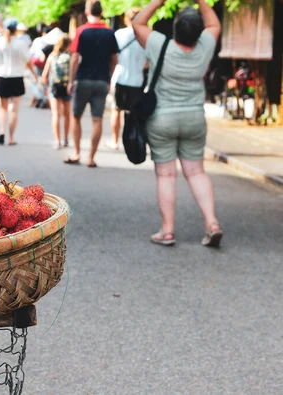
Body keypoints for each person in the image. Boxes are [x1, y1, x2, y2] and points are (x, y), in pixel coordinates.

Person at [132, 0, 223, 247]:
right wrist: (202, 1)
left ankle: (168, 231)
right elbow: (214, 23)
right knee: (196, 172)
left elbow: (137, 22)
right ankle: (212, 223)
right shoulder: (205, 46)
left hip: (162, 119)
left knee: (166, 174)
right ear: (199, 32)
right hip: (194, 118)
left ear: (175, 28)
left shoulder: (159, 45)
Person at [65, 0, 118, 167]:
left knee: (76, 116)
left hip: (83, 79)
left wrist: (71, 81)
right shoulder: (110, 33)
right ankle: (91, 158)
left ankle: (76, 152)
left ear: (87, 12)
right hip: (101, 81)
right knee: (97, 119)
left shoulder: (82, 31)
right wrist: (109, 77)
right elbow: (114, 59)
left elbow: (75, 58)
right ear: (101, 12)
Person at [0, 18, 37, 145]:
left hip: (2, 77)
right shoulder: (21, 43)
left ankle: (2, 131)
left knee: (2, 108)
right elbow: (29, 61)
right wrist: (34, 75)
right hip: (17, 78)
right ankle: (11, 137)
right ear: (16, 29)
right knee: (14, 110)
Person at [108, 8, 146, 150]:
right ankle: (131, 141)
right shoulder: (146, 36)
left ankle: (115, 140)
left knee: (116, 110)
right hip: (137, 80)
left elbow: (113, 57)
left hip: (120, 77)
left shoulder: (119, 34)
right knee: (133, 113)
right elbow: (149, 60)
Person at [42, 36, 72, 150]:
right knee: (67, 114)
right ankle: (65, 139)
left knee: (56, 114)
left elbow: (45, 75)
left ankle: (57, 141)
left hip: (55, 87)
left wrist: (45, 88)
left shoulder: (52, 56)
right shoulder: (71, 56)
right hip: (67, 87)